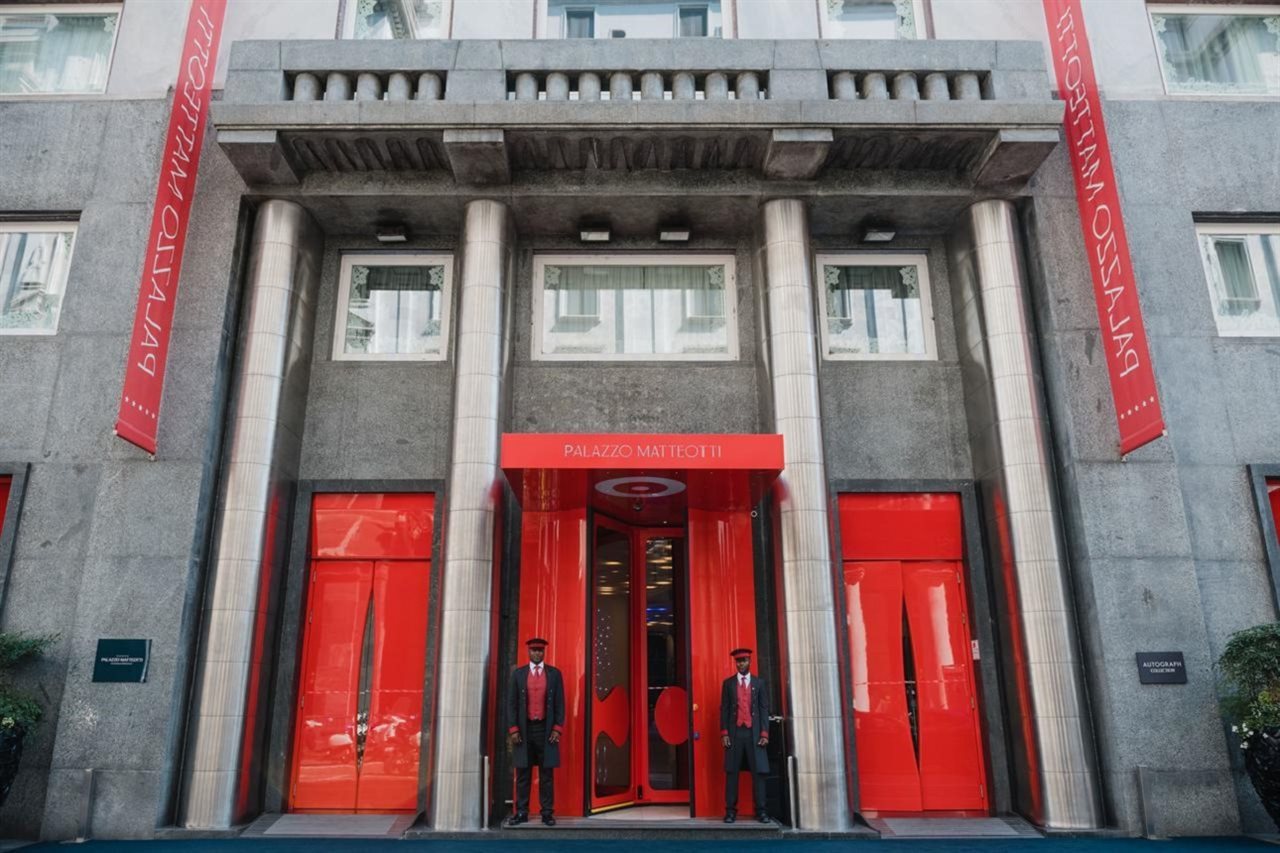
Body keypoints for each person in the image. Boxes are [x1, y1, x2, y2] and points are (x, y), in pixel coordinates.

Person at [506, 637, 565, 826]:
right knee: (523, 774)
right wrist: (514, 729)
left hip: (546, 730)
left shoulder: (554, 674)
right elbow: (511, 704)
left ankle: (547, 813)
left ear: (544, 652)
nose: (537, 653)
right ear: (528, 652)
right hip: (524, 730)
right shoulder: (518, 674)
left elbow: (560, 703)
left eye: (540, 650)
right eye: (534, 650)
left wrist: (557, 729)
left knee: (546, 775)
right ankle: (521, 812)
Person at [719, 646, 770, 824]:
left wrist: (764, 733)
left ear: (750, 661)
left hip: (754, 734)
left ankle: (761, 811)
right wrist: (724, 733)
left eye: (744, 661)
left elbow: (764, 709)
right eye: (738, 661)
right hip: (735, 733)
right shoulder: (728, 684)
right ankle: (730, 812)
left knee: (759, 773)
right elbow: (724, 709)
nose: (741, 664)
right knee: (732, 772)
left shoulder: (759, 683)